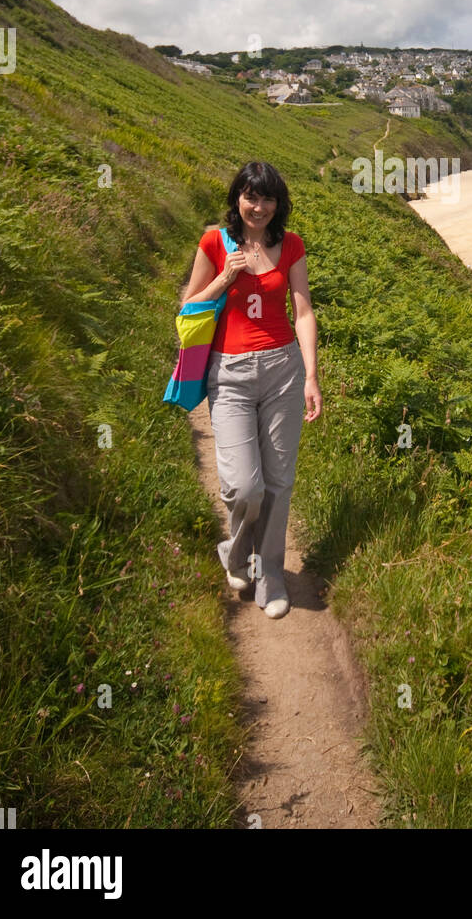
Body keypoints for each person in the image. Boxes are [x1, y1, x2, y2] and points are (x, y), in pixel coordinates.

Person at [182, 161, 322, 619]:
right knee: (246, 486)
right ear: (236, 199)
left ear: (277, 205)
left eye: (267, 199)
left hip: (283, 371)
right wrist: (226, 277)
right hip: (230, 373)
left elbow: (303, 312)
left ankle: (272, 574)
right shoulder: (214, 240)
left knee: (279, 483)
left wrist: (311, 375)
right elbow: (188, 306)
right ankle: (238, 555)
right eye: (250, 196)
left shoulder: (292, 245)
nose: (257, 206)